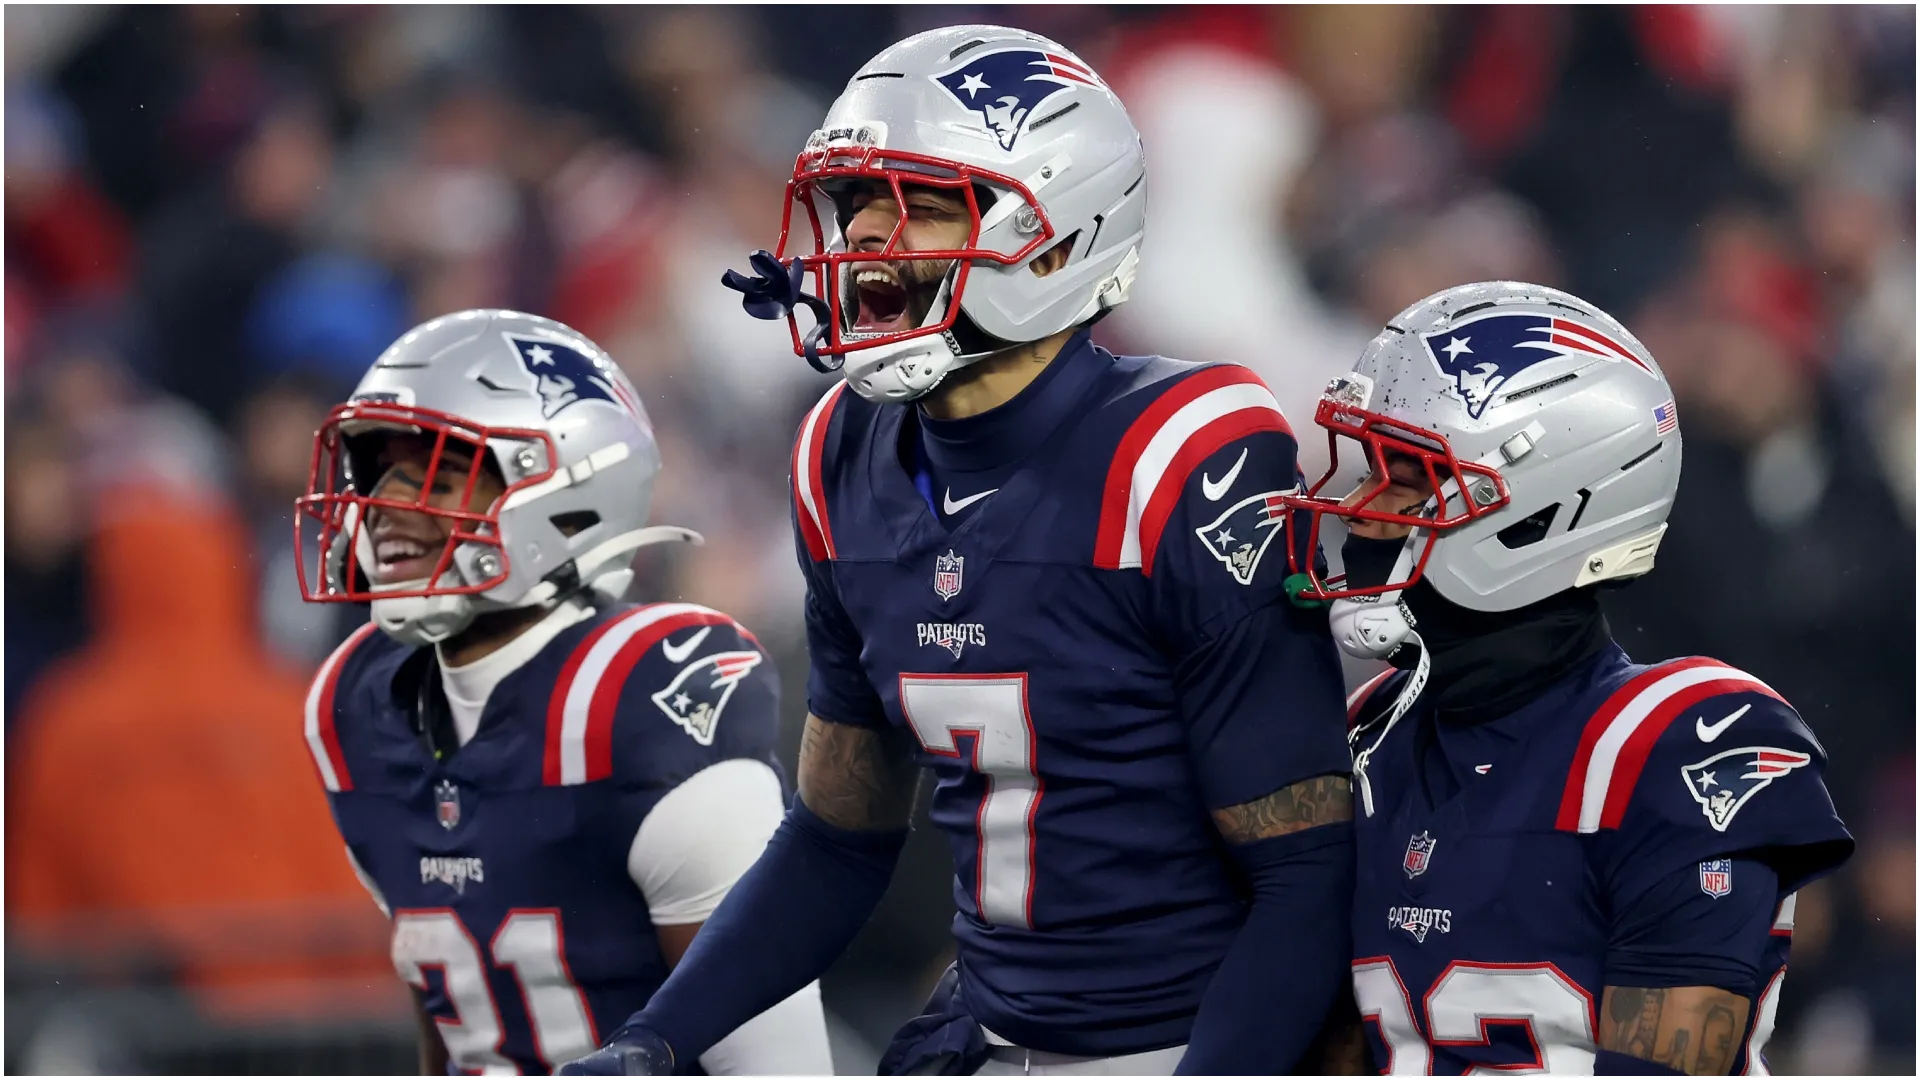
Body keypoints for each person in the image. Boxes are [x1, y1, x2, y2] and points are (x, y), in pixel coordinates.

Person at [563, 24, 1354, 1077]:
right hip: (992, 1036)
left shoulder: (1179, 455)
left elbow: (1305, 874)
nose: (867, 237)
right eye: (859, 202)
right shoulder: (842, 453)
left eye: (925, 205)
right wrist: (655, 1040)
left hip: (1180, 1044)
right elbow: (837, 838)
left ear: (1058, 236)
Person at [1281, 281, 1854, 1074]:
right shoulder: (1373, 728)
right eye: (1370, 471)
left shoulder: (1673, 745)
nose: (1359, 511)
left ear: (1542, 512)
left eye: (1408, 480)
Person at [294, 309, 833, 1074]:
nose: (386, 508)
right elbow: (455, 1006)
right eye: (381, 473)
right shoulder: (355, 703)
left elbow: (777, 1063)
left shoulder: (642, 699)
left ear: (569, 495)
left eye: (439, 476)